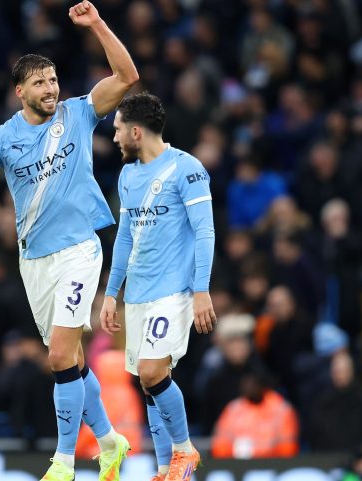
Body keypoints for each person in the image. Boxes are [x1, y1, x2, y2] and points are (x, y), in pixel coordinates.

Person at [0, 3, 138, 480]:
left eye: (53, 80)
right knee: (72, 360)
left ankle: (63, 460)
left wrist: (96, 25)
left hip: (80, 249)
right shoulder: (3, 137)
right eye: (40, 82)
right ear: (21, 92)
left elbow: (127, 74)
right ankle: (111, 441)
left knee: (57, 356)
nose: (51, 88)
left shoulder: (79, 113)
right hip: (34, 260)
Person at [100, 92, 216, 481]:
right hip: (138, 294)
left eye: (117, 130)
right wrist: (112, 293)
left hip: (174, 291)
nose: (114, 138)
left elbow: (205, 231)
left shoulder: (187, 168)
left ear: (136, 131)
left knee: (152, 372)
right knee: (150, 384)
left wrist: (201, 289)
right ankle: (167, 468)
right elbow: (125, 239)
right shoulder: (128, 174)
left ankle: (185, 450)